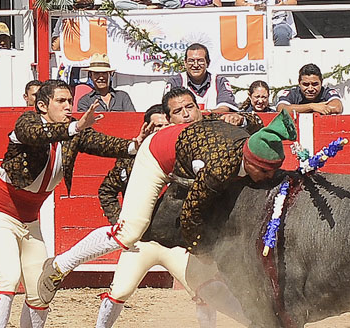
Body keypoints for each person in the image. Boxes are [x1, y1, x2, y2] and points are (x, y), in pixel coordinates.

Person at [37, 87, 297, 309]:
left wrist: (242, 117)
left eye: (190, 107)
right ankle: (61, 264)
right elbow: (192, 213)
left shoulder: (219, 126)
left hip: (192, 168)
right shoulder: (217, 170)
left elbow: (256, 126)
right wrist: (203, 248)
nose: (265, 177)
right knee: (129, 232)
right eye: (262, 171)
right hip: (157, 156)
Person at [0, 79, 150, 328]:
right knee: (7, 276)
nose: (68, 106)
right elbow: (34, 135)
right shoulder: (29, 122)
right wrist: (74, 127)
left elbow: (105, 144)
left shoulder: (72, 131)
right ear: (43, 105)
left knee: (40, 288)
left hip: (30, 221)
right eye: (61, 101)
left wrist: (136, 144)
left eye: (70, 100)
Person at [82, 99, 252, 328]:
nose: (160, 130)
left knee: (203, 287)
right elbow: (106, 189)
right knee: (121, 289)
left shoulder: (195, 147)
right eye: (156, 126)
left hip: (176, 239)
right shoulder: (134, 160)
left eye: (164, 125)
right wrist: (120, 221)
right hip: (141, 241)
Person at [164, 43, 238, 112]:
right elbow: (168, 109)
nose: (195, 65)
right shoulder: (175, 82)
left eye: (200, 61)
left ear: (208, 63)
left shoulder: (219, 82)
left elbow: (225, 108)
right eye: (191, 61)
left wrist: (205, 114)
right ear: (185, 63)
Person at [276, 63, 343, 115]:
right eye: (306, 84)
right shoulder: (292, 94)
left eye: (314, 84)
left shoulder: (327, 92)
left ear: (321, 82)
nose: (310, 89)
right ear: (299, 83)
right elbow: (281, 109)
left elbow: (337, 108)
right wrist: (311, 106)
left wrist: (298, 109)